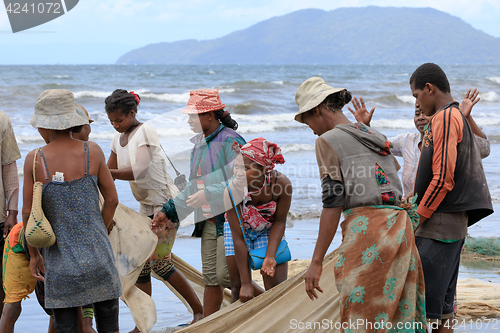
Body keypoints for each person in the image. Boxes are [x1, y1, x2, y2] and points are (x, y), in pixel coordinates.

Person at [297, 77, 426, 331]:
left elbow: (332, 203)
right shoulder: (373, 133)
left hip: (368, 236)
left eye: (307, 120)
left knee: (362, 315)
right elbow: (388, 183)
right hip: (401, 234)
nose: (310, 128)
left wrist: (316, 262)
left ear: (317, 109)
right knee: (398, 315)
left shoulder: (326, 141)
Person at [25, 89, 122, 333]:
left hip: (59, 265)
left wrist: (35, 256)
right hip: (99, 257)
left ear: (44, 127)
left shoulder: (35, 159)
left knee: (66, 328)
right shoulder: (93, 151)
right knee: (109, 327)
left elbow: (28, 214)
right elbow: (112, 200)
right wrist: (100, 227)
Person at [105, 89, 203, 330]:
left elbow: (139, 171)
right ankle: (142, 323)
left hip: (167, 205)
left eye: (119, 120)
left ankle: (199, 311)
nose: (116, 125)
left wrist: (104, 173)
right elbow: (108, 172)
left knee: (160, 263)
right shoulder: (116, 140)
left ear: (132, 112)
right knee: (141, 267)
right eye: (111, 121)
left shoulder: (145, 131)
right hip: (145, 205)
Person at [409, 63, 493, 332]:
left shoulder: (445, 118)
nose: (418, 104)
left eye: (417, 96)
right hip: (451, 226)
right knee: (443, 314)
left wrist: (417, 219)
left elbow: (443, 178)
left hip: (437, 227)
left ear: (429, 89)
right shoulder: (455, 116)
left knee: (422, 314)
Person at [152, 89, 245, 317]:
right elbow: (194, 188)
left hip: (230, 219)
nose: (189, 121)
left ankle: (259, 307)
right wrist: (168, 211)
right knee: (211, 278)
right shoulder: (199, 145)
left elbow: (243, 181)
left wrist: (210, 193)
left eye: (193, 116)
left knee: (228, 277)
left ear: (210, 116)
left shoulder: (231, 141)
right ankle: (207, 324)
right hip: (208, 220)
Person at [348, 89, 490, 196]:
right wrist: (365, 126)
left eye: (426, 113)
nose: (421, 118)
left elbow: (484, 150)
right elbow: (378, 145)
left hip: (443, 213)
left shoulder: (450, 140)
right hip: (413, 213)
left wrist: (466, 118)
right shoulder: (407, 141)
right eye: (417, 114)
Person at [224, 138, 292, 303]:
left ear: (263, 170)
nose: (238, 172)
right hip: (239, 230)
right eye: (236, 167)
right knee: (237, 286)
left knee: (276, 288)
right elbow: (238, 237)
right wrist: (246, 283)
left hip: (268, 228)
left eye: (245, 168)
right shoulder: (232, 191)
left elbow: (280, 222)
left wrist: (270, 257)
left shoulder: (281, 185)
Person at [0, 110, 21, 318]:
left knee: (1, 281)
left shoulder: (1, 119)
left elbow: (9, 167)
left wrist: (12, 211)